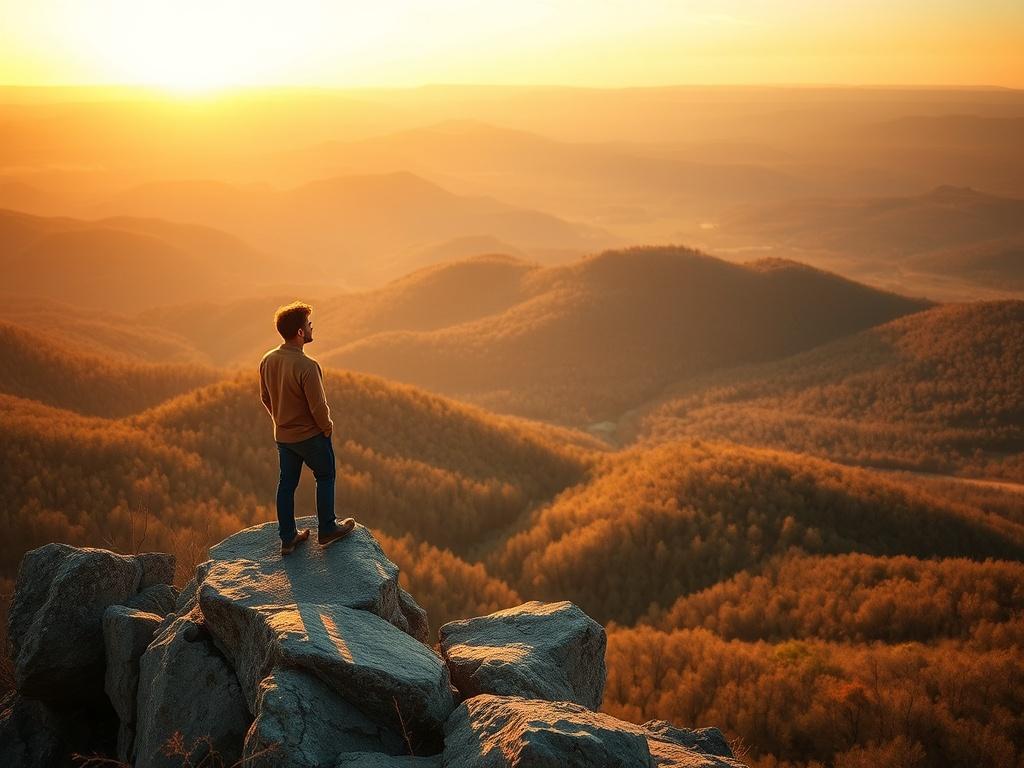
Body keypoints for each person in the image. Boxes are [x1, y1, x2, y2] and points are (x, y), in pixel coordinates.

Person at [259, 301, 354, 556]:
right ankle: (327, 528)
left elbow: (265, 397)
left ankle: (288, 539)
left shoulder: (267, 360)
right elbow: (318, 407)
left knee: (286, 485)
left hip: (284, 437)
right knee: (325, 475)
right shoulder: (307, 366)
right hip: (310, 436)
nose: (312, 327)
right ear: (301, 333)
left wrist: (279, 421)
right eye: (309, 324)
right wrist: (327, 428)